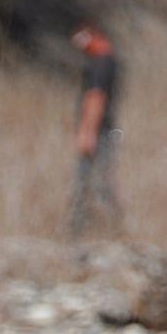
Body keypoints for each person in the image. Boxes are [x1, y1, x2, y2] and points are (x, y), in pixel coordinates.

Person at [68, 20, 121, 237]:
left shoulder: (99, 63)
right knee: (101, 180)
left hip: (98, 130)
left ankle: (80, 229)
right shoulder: (110, 61)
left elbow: (95, 98)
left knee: (90, 181)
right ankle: (111, 228)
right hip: (108, 130)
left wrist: (87, 131)